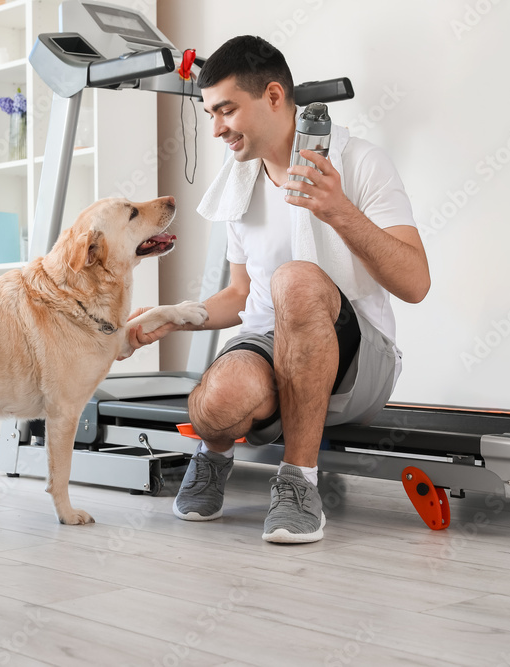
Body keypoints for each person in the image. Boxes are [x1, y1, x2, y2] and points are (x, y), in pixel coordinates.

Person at [122, 36, 430, 544]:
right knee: (216, 402)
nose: (217, 128)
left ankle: (299, 483)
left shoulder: (361, 163)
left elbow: (416, 283)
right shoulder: (240, 183)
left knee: (297, 277)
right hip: (271, 341)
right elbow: (241, 296)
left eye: (226, 110)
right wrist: (173, 314)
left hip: (360, 357)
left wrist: (339, 211)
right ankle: (213, 457)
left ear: (271, 96)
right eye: (210, 114)